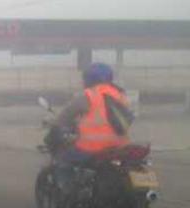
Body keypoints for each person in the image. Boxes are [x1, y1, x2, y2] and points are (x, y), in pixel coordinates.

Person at [54, 62, 133, 199]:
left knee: (62, 158)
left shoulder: (88, 95)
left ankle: (67, 190)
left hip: (92, 148)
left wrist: (56, 124)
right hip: (120, 147)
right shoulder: (120, 95)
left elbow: (66, 115)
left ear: (89, 79)